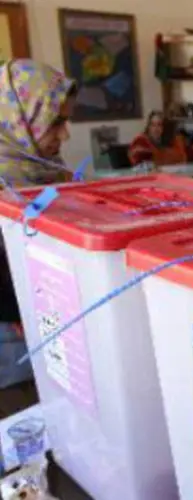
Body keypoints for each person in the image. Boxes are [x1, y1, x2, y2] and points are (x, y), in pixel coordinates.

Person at [0, 59, 77, 388]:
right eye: (55, 121)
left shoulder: (46, 168)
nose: (66, 134)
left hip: (58, 315)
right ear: (21, 117)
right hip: (14, 331)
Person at [128, 110, 193, 166]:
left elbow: (183, 158)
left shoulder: (173, 140)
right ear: (148, 126)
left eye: (159, 125)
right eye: (152, 125)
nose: (156, 128)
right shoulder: (140, 141)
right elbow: (142, 163)